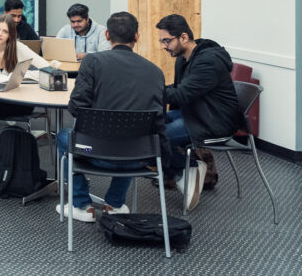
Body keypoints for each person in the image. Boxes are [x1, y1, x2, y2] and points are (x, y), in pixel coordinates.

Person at [56, 11, 166, 222]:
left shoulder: (93, 61)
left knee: (63, 137)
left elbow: (76, 107)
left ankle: (81, 205)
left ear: (106, 35)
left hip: (94, 153)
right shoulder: (156, 72)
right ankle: (114, 203)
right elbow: (158, 121)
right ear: (137, 36)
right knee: (131, 135)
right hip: (138, 157)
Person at [157, 13, 242, 211]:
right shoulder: (184, 59)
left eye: (167, 41)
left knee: (157, 138)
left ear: (184, 38)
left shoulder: (208, 61)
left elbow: (181, 94)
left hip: (213, 122)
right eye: (162, 41)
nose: (163, 46)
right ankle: (180, 170)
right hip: (196, 114)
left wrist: (151, 90)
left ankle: (188, 169)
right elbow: (179, 91)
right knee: (149, 126)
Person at [0, 14, 50, 168]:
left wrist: (23, 74)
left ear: (11, 34)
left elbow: (46, 67)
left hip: (18, 102)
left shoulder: (18, 47)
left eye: (5, 31)